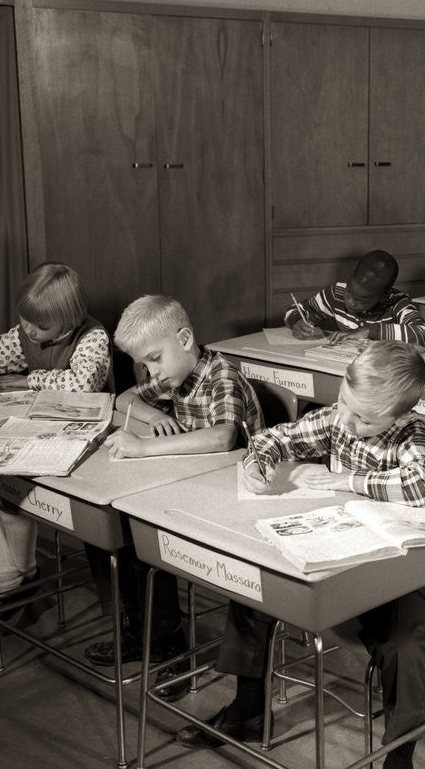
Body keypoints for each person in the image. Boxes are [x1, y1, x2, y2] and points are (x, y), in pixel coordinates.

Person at [176, 341, 425, 769]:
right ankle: (248, 709)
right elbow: (273, 436)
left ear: (400, 416)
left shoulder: (415, 434)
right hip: (340, 557)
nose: (347, 422)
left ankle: (399, 755)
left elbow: (419, 486)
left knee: (407, 644)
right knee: (258, 575)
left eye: (365, 419)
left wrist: (346, 481)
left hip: (402, 572)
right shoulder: (339, 419)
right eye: (343, 403)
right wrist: (257, 463)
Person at [82, 295, 264, 695]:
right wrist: (157, 416)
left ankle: (170, 646)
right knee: (104, 524)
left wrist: (143, 447)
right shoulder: (174, 376)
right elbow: (123, 400)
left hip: (233, 500)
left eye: (155, 359)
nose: (153, 372)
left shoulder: (221, 375)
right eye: (145, 365)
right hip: (188, 487)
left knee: (147, 537)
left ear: (185, 338)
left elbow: (222, 437)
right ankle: (135, 630)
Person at [0, 262, 111, 605]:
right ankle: (13, 575)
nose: (29, 331)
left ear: (70, 319)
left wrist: (29, 379)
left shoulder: (92, 337)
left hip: (84, 440)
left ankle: (12, 579)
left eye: (40, 325)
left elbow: (82, 385)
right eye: (25, 320)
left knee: (5, 481)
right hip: (39, 431)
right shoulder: (24, 333)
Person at [283, 249, 425, 345]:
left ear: (383, 298)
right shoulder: (336, 293)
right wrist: (297, 321)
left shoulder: (398, 302)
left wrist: (368, 331)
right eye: (349, 293)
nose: (351, 302)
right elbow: (297, 309)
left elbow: (421, 333)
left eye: (361, 300)